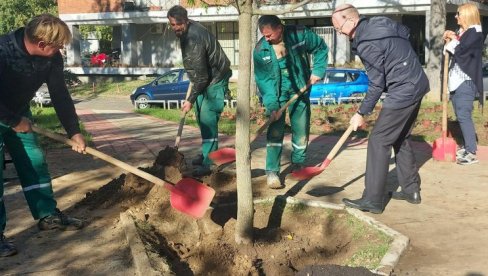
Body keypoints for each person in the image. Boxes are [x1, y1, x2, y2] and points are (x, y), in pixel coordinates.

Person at [0, 14, 87, 257]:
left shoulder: (51, 59)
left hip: (18, 113)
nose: (60, 50)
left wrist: (74, 131)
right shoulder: (2, 51)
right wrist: (13, 121)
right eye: (58, 46)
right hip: (7, 115)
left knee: (35, 162)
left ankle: (47, 215)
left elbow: (59, 94)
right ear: (41, 44)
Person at [332, 4, 429, 213]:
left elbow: (376, 83)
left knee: (378, 140)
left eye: (338, 27)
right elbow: (406, 32)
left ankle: (373, 199)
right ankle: (411, 190)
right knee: (400, 137)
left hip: (403, 89)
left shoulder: (367, 42)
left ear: (351, 20)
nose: (337, 31)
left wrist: (361, 113)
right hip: (417, 82)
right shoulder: (381, 23)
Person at [253, 15, 328, 189]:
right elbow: (264, 81)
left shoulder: (299, 34)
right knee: (274, 131)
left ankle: (298, 164)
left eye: (269, 34)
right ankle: (272, 171)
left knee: (301, 128)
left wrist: (317, 70)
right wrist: (272, 106)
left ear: (280, 28)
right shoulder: (260, 50)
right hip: (277, 92)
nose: (266, 38)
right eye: (263, 35)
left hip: (300, 88)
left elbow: (320, 47)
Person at [167, 5, 232, 177]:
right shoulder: (187, 31)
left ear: (185, 21)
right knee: (200, 116)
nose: (175, 28)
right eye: (172, 25)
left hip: (215, 78)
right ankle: (206, 154)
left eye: (177, 24)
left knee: (207, 118)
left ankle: (209, 163)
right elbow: (198, 69)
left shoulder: (194, 39)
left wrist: (189, 99)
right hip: (204, 77)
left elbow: (202, 77)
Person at [443, 3, 483, 165]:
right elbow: (452, 50)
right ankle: (467, 146)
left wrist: (453, 40)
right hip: (456, 80)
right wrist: (450, 38)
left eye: (458, 13)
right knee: (460, 115)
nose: (456, 16)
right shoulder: (463, 32)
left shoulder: (475, 33)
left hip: (466, 81)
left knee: (464, 115)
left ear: (466, 14)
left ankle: (471, 151)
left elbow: (462, 51)